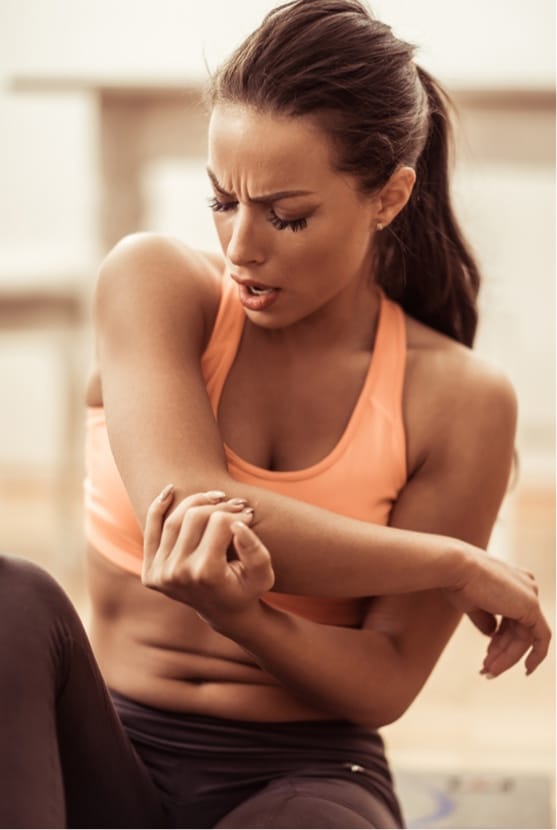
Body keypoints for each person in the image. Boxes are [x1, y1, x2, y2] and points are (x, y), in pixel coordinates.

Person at [0, 1, 551, 827]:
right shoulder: (154, 283)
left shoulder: (461, 399)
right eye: (224, 201)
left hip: (304, 778)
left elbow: (384, 680)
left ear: (388, 196)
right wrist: (450, 562)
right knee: (10, 598)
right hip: (102, 754)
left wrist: (242, 614)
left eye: (286, 216)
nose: (241, 248)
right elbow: (190, 506)